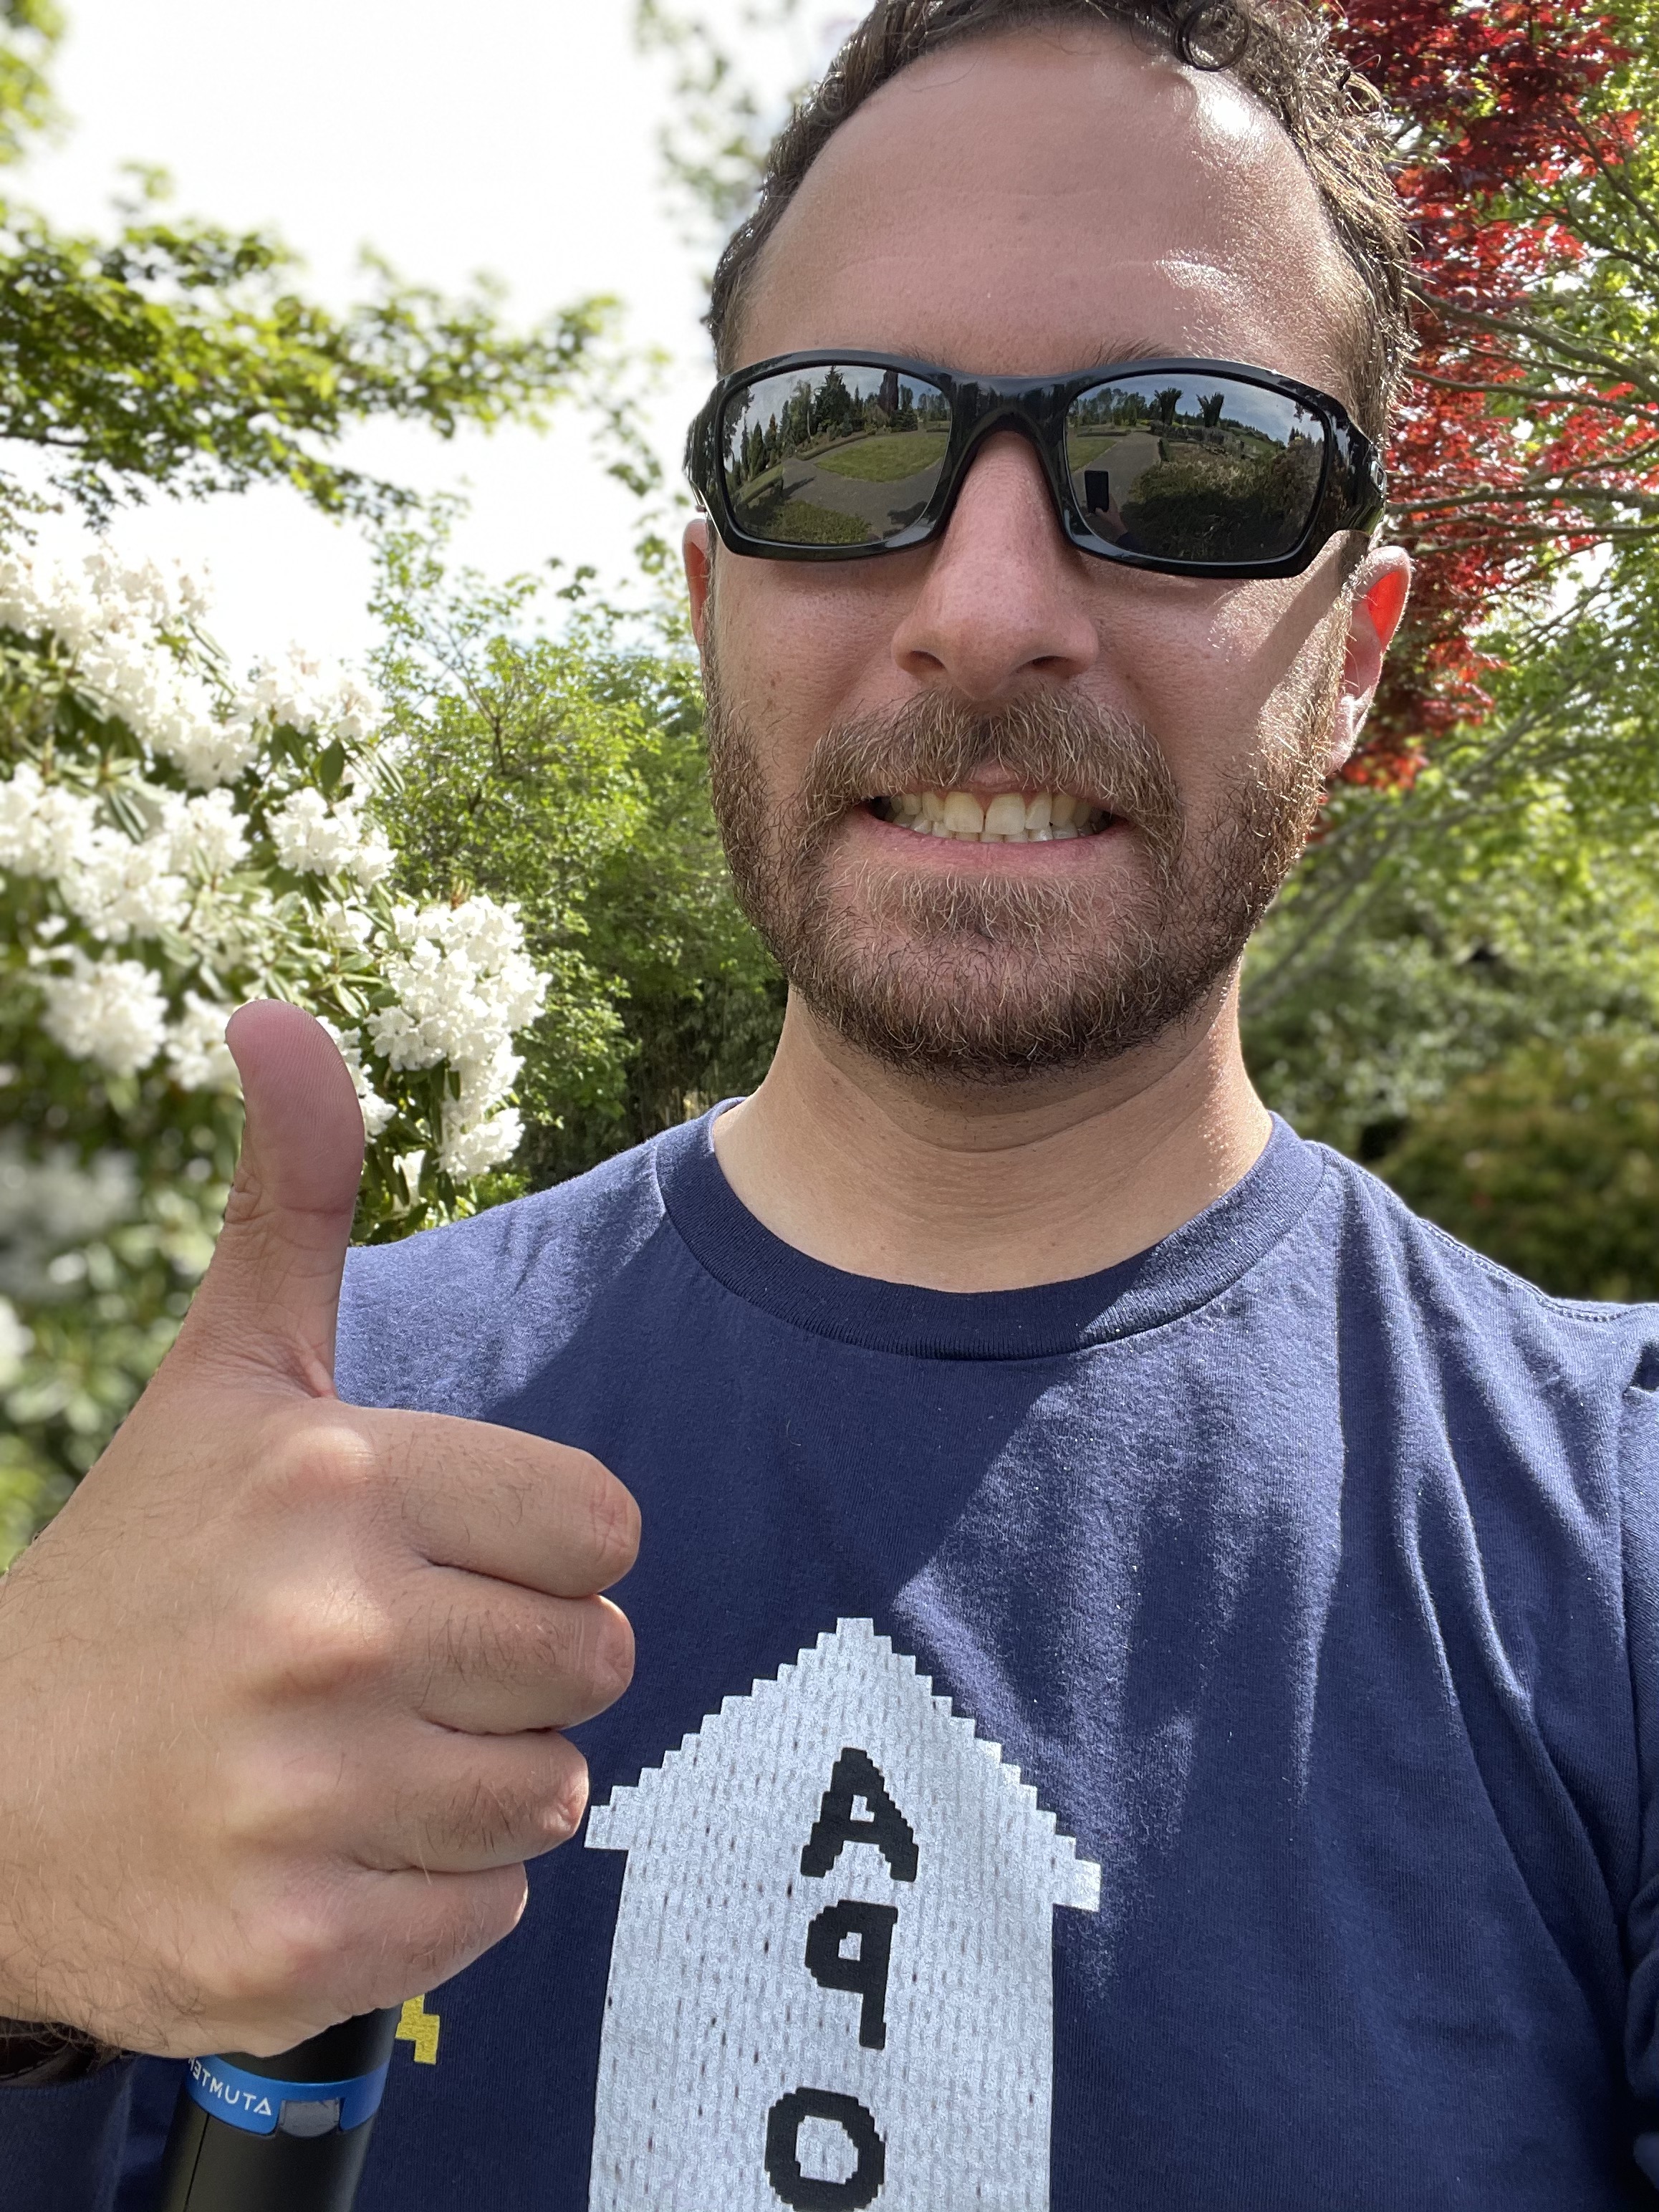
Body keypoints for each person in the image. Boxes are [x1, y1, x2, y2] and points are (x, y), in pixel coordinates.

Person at [3, 1, 1656, 2205]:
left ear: (1349, 654)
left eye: (1186, 462)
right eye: (840, 445)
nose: (985, 609)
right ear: (713, 608)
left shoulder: (1610, 1545)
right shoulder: (298, 1466)